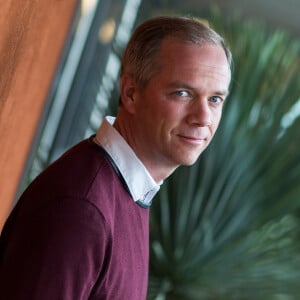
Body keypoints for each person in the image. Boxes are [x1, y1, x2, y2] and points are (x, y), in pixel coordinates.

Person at [0, 15, 232, 299]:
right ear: (131, 93)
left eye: (215, 99)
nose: (203, 117)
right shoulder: (82, 208)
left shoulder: (129, 194)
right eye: (182, 93)